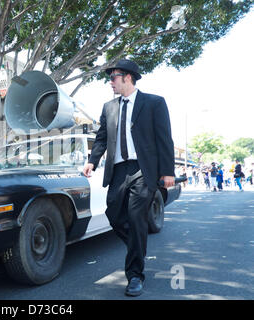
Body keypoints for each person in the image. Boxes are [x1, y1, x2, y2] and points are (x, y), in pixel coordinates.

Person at [83, 59, 175, 297]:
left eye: (113, 77)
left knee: (136, 218)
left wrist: (168, 172)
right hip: (118, 170)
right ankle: (138, 244)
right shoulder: (109, 107)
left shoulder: (154, 103)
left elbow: (164, 138)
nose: (110, 83)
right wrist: (92, 160)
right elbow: (102, 137)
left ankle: (135, 275)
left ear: (127, 77)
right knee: (113, 215)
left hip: (143, 170)